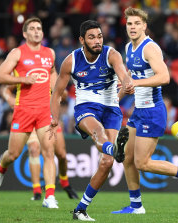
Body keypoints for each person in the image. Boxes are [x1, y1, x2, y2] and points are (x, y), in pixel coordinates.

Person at [112, 7, 178, 215]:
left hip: (153, 111)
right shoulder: (129, 47)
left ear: (145, 26)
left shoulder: (150, 48)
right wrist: (115, 100)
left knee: (142, 163)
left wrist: (136, 84)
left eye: (137, 23)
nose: (133, 27)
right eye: (130, 24)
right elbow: (130, 76)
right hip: (138, 111)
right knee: (127, 158)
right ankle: (136, 206)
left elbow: (164, 77)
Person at [49, 20, 133, 221]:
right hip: (86, 108)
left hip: (111, 110)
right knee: (99, 133)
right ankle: (115, 149)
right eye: (92, 37)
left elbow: (122, 73)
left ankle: (80, 210)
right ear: (81, 40)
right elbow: (57, 93)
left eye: (99, 36)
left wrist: (128, 82)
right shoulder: (71, 61)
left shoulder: (111, 54)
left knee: (107, 162)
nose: (97, 41)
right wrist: (54, 120)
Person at [0, 17, 58, 209]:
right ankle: (1, 169)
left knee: (49, 152)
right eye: (33, 29)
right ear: (25, 34)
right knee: (13, 154)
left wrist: (55, 93)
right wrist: (23, 80)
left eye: (39, 28)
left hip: (44, 110)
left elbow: (52, 72)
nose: (37, 31)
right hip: (24, 110)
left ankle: (50, 196)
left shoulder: (50, 53)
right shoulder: (17, 53)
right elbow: (0, 76)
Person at [2, 84, 78, 200]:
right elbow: (6, 87)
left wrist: (58, 91)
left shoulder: (47, 70)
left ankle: (64, 182)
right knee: (34, 149)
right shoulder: (24, 71)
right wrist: (9, 98)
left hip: (49, 118)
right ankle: (37, 191)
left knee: (61, 155)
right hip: (29, 116)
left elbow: (64, 95)